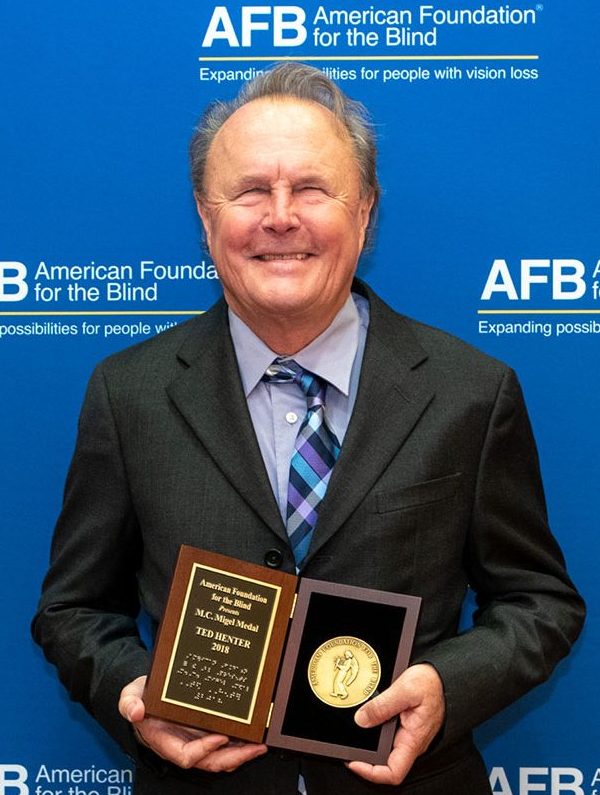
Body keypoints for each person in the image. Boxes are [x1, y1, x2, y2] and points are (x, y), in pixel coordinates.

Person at [32, 63, 585, 795]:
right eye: (252, 190)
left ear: (365, 212)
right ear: (206, 216)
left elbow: (541, 601)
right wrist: (134, 691)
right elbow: (74, 608)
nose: (281, 216)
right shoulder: (128, 391)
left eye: (312, 189)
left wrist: (448, 685)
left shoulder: (470, 392)